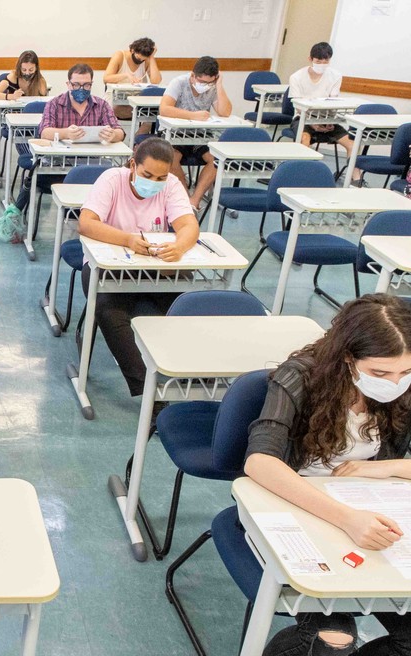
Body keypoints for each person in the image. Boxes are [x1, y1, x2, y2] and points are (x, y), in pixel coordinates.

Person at [245, 294, 411, 656]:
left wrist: (392, 467)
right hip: (300, 506)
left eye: (405, 373)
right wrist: (348, 519)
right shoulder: (301, 375)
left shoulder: (405, 386)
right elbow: (260, 462)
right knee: (333, 641)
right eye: (380, 373)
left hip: (371, 513)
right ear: (348, 358)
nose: (395, 383)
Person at [76, 137, 199, 397]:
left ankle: (193, 379)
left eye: (160, 178)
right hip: (105, 267)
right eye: (147, 175)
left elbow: (188, 226)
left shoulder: (171, 184)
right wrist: (129, 239)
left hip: (153, 265)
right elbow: (86, 223)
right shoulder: (112, 180)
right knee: (109, 312)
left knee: (188, 304)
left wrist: (179, 247)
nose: (154, 183)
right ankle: (148, 394)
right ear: (133, 165)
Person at [13, 63, 125, 213]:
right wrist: (66, 133)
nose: (81, 89)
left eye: (86, 85)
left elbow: (120, 131)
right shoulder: (55, 104)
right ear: (68, 84)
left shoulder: (102, 105)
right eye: (76, 84)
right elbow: (44, 132)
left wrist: (113, 135)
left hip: (91, 162)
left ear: (91, 84)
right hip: (58, 164)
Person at [159, 55, 232, 213]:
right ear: (193, 76)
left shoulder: (213, 87)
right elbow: (164, 108)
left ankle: (195, 199)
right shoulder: (179, 83)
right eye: (202, 82)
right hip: (176, 135)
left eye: (209, 82)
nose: (205, 85)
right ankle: (184, 199)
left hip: (201, 136)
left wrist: (218, 85)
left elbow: (225, 112)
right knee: (171, 156)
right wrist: (192, 115)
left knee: (217, 159)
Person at [287, 42, 362, 184]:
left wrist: (327, 122)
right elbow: (297, 106)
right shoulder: (296, 77)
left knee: (353, 144)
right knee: (304, 140)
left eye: (326, 61)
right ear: (310, 59)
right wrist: (314, 125)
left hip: (326, 119)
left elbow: (333, 102)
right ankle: (299, 177)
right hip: (303, 118)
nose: (322, 64)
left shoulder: (335, 75)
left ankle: (355, 180)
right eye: (318, 61)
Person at [103, 37, 163, 121]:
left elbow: (156, 81)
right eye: (138, 58)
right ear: (132, 50)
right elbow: (106, 78)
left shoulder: (146, 60)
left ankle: (140, 133)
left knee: (156, 112)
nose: (140, 61)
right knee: (146, 112)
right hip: (116, 99)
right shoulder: (120, 55)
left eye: (143, 60)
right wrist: (126, 75)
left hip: (135, 100)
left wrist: (152, 58)